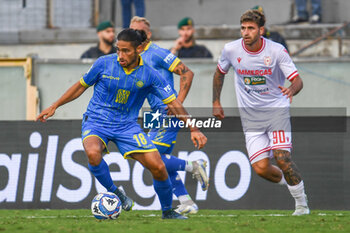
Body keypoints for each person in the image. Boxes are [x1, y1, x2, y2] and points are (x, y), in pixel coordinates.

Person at [37, 28, 207, 219]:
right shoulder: (103, 63)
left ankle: (167, 211)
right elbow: (80, 86)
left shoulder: (150, 75)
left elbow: (174, 103)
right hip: (97, 120)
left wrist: (193, 128)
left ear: (139, 49)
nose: (120, 55)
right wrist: (55, 105)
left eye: (126, 50)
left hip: (127, 126)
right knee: (93, 153)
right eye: (118, 49)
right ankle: (117, 194)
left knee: (158, 167)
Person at [212, 10, 310, 216]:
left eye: (250, 28)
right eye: (243, 28)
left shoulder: (276, 51)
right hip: (251, 118)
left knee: (282, 158)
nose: (245, 32)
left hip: (276, 111)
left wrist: (291, 89)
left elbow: (297, 80)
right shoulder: (231, 50)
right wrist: (216, 101)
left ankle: (302, 205)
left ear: (261, 30)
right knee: (261, 169)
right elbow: (219, 74)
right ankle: (292, 181)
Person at [130, 16, 209, 214]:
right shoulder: (133, 56)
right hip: (155, 115)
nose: (133, 33)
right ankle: (186, 202)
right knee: (160, 162)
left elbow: (187, 73)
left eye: (138, 30)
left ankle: (194, 166)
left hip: (168, 113)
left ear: (147, 35)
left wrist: (178, 102)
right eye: (131, 30)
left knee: (151, 158)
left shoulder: (157, 53)